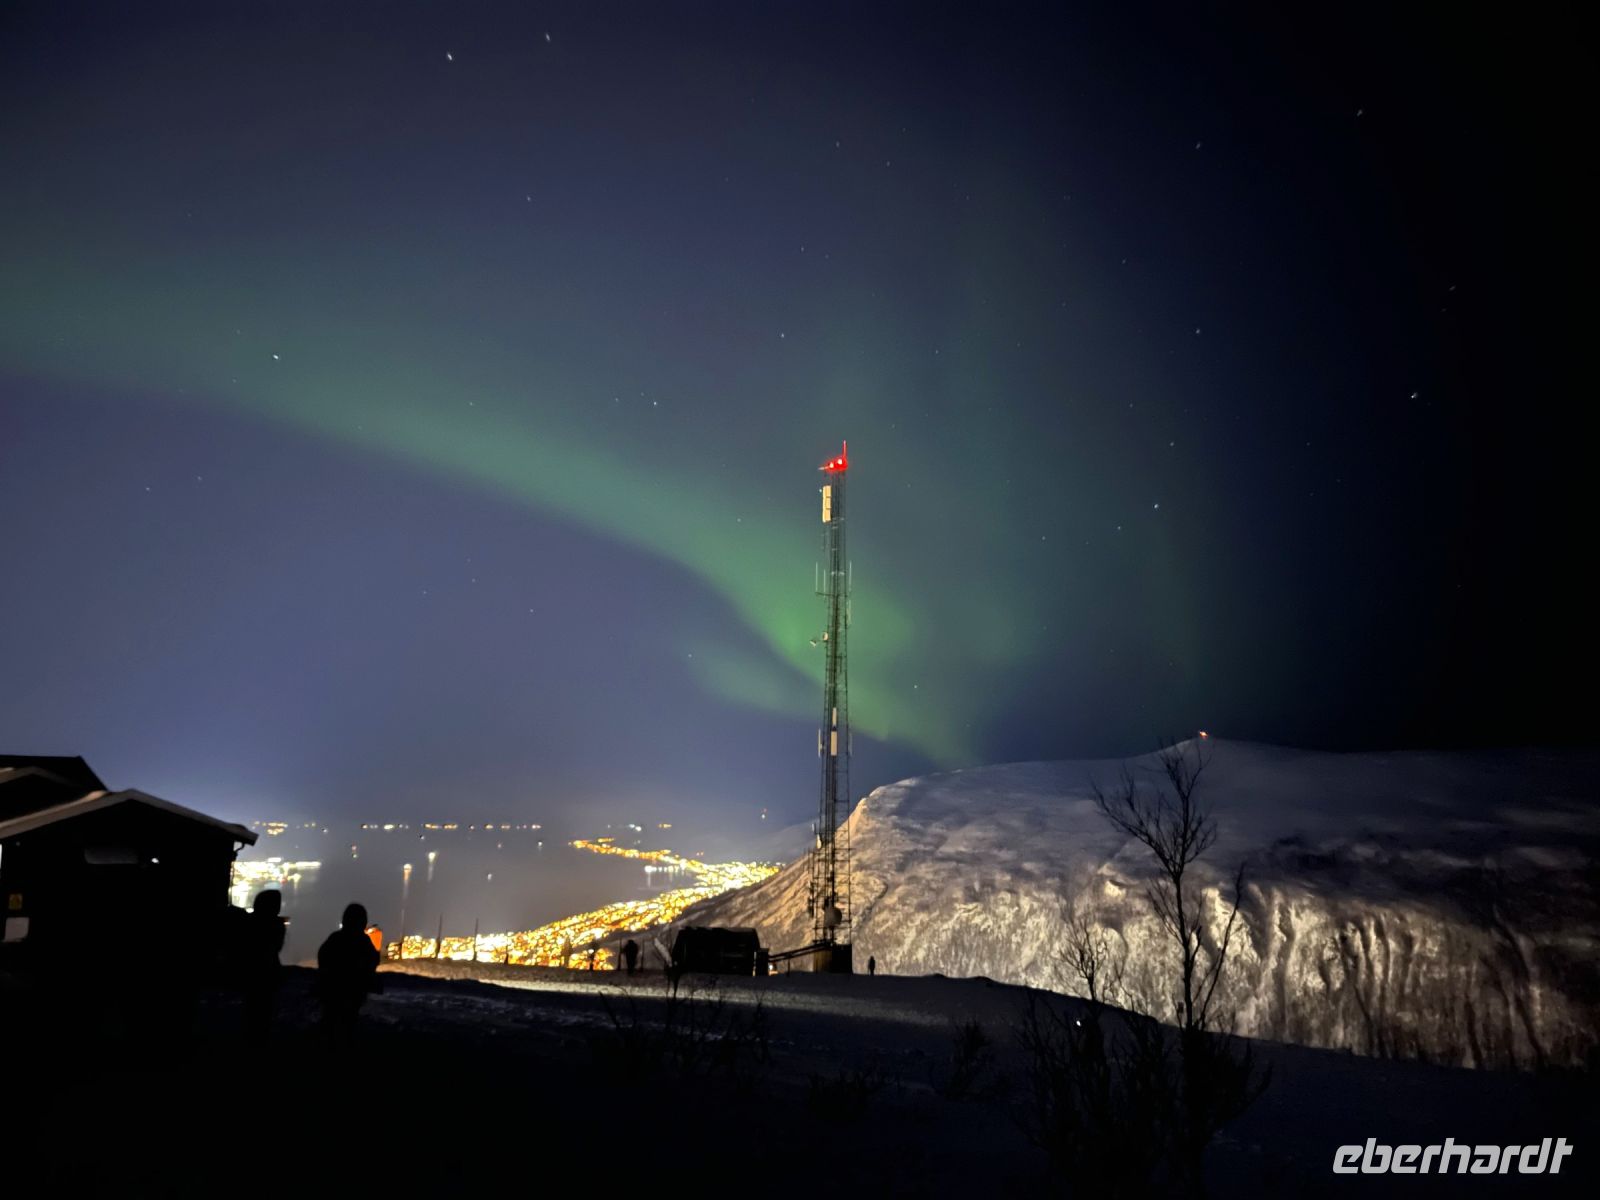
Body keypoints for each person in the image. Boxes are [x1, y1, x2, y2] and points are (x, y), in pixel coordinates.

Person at [317, 902, 380, 1036]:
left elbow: (323, 956)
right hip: (353, 991)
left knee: (330, 1020)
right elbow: (373, 960)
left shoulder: (335, 938)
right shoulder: (363, 941)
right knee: (348, 1022)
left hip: (332, 990)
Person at [242, 889, 286, 1039]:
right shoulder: (277, 925)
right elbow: (277, 948)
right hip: (268, 973)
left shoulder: (248, 922)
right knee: (264, 1012)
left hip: (252, 972)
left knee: (252, 1009)